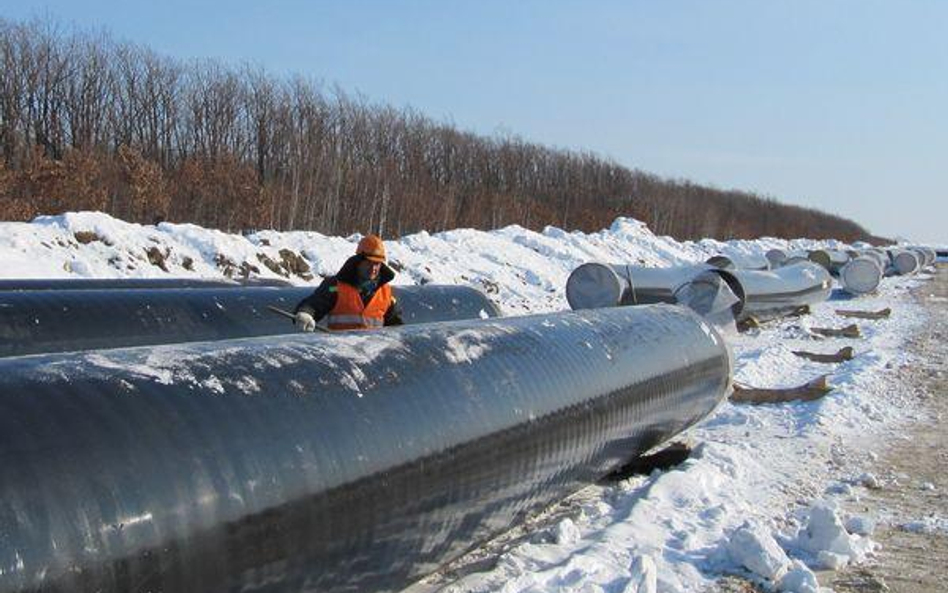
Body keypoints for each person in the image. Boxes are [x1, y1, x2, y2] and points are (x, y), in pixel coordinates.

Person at [293, 234, 403, 331]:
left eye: (377, 264)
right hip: (340, 351)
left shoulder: (386, 293)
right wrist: (305, 313)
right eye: (369, 263)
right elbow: (315, 303)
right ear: (358, 261)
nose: (373, 268)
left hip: (372, 352)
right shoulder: (335, 287)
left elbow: (396, 326)